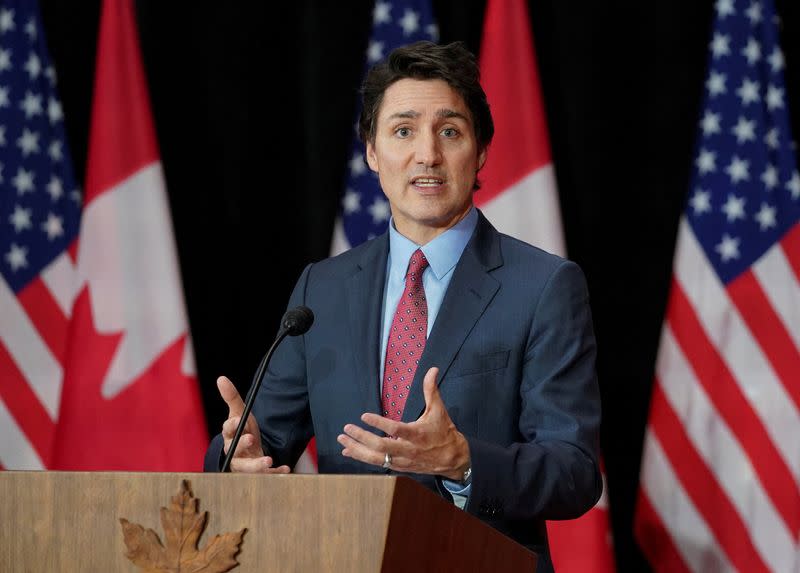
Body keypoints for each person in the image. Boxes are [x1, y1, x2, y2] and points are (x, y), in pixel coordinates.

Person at [204, 40, 601, 570]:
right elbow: (263, 441)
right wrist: (236, 460)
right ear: (372, 150)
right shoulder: (321, 288)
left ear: (481, 150)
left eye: (450, 132)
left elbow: (574, 472)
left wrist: (462, 462)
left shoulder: (543, 285)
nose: (427, 155)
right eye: (403, 130)